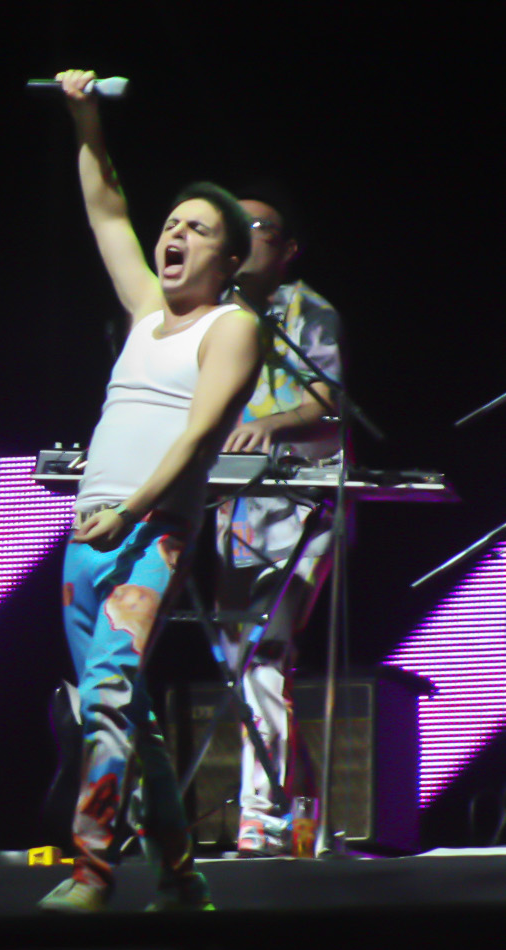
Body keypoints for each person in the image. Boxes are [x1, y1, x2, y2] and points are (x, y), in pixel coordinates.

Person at [43, 71, 262, 912]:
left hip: (152, 531)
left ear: (230, 261)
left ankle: (93, 874)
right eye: (171, 224)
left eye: (197, 230)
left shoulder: (231, 325)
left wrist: (127, 514)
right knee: (119, 705)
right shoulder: (144, 313)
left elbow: (200, 437)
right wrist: (85, 120)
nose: (174, 235)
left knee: (105, 696)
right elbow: (107, 210)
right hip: (90, 530)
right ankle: (178, 874)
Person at [217, 182, 343, 857]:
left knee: (265, 651)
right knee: (250, 662)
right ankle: (305, 812)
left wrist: (270, 425)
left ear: (288, 248)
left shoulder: (308, 311)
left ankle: (259, 814)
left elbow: (327, 401)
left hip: (303, 500)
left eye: (258, 226)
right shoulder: (213, 313)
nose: (241, 234)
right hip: (236, 504)